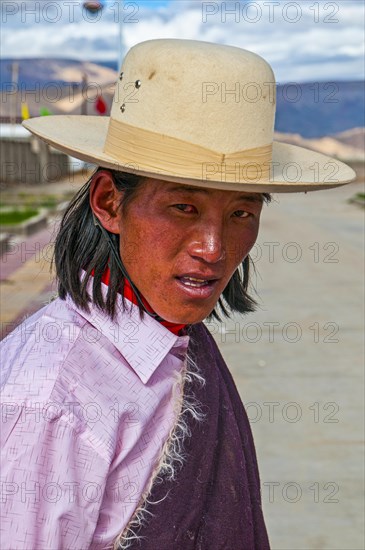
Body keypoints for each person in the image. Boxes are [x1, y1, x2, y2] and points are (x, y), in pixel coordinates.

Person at [0, 39, 355, 550]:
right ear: (108, 202)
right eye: (183, 208)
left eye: (241, 214)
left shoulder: (177, 338)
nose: (214, 249)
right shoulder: (50, 400)